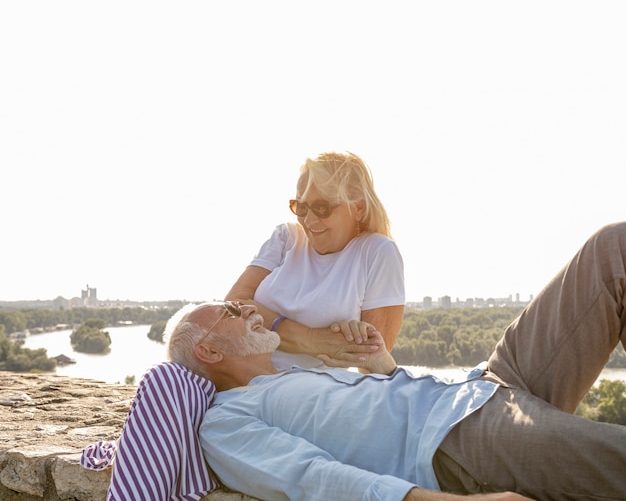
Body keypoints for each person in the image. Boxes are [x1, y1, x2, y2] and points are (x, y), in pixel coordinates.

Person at [164, 222, 626, 501]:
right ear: (208, 351)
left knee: (611, 249)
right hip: (460, 439)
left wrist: (383, 366)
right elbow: (312, 479)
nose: (246, 306)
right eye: (228, 312)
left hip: (482, 385)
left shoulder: (294, 372)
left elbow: (386, 407)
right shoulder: (227, 421)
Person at [225, 151, 405, 371]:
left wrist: (263, 319)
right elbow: (233, 305)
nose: (308, 220)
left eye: (322, 208)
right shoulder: (285, 238)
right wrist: (311, 339)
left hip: (310, 395)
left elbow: (371, 363)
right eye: (300, 207)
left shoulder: (377, 253)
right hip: (238, 380)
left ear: (358, 208)